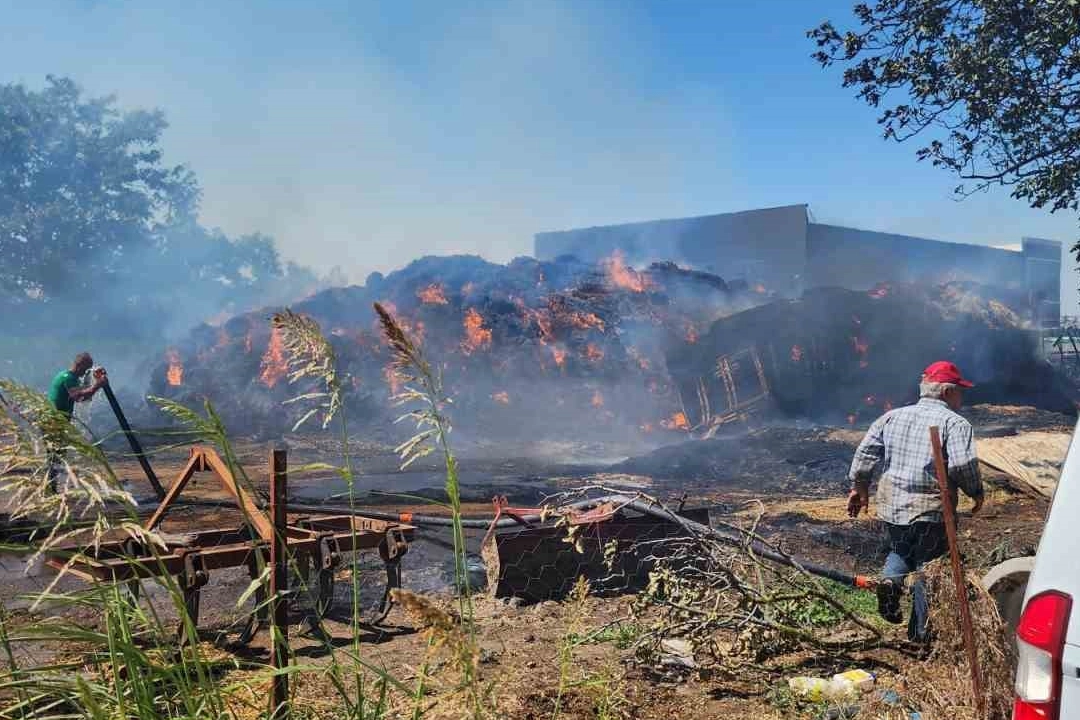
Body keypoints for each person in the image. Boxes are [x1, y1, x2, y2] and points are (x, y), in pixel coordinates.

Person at [846, 360, 984, 642]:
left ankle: (890, 583)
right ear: (947, 392)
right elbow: (962, 466)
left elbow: (865, 453)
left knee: (901, 550)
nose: (962, 397)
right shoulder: (955, 423)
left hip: (892, 504)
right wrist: (976, 492)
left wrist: (860, 488)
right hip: (930, 508)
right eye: (960, 391)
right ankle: (922, 633)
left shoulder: (891, 417)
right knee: (928, 568)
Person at [45, 352, 106, 491]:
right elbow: (77, 395)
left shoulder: (71, 377)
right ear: (80, 365)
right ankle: (50, 489)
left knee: (58, 455)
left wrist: (94, 379)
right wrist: (98, 384)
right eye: (86, 369)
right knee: (55, 456)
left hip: (57, 421)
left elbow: (84, 397)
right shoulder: (68, 378)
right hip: (53, 421)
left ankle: (51, 488)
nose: (85, 373)